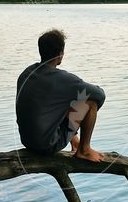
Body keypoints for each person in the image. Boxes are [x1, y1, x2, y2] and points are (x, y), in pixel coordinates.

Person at [16, 29, 105, 162]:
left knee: (63, 100)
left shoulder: (26, 73)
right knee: (90, 102)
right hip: (46, 146)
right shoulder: (63, 79)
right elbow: (100, 95)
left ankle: (74, 142)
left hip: (27, 141)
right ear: (61, 53)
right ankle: (84, 150)